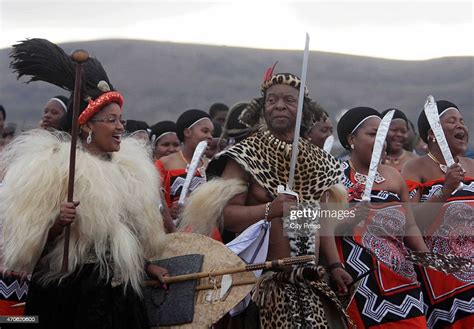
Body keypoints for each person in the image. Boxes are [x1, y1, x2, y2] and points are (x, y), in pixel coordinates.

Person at [3, 38, 168, 328]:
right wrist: (56, 223)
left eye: (121, 120)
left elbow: (119, 235)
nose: (120, 127)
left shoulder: (130, 172)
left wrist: (144, 266)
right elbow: (25, 246)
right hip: (70, 293)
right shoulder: (53, 168)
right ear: (88, 125)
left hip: (119, 293)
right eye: (111, 120)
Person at [322, 106, 429, 328]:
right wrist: (348, 223)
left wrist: (427, 258)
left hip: (403, 279)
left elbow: (409, 227)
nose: (381, 140)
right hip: (359, 281)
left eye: (383, 135)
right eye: (373, 134)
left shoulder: (394, 176)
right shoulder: (334, 177)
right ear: (352, 139)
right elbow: (322, 227)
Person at [402, 100, 473, 328]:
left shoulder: (472, 165)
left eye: (462, 121)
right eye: (451, 121)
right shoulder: (415, 168)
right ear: (433, 134)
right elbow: (409, 223)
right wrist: (446, 190)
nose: (460, 125)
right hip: (443, 272)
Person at [155, 109, 214, 223]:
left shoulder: (210, 164)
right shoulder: (164, 164)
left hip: (207, 233)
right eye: (205, 131)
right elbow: (152, 202)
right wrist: (169, 211)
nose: (210, 136)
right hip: (175, 232)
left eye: (212, 133)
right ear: (187, 132)